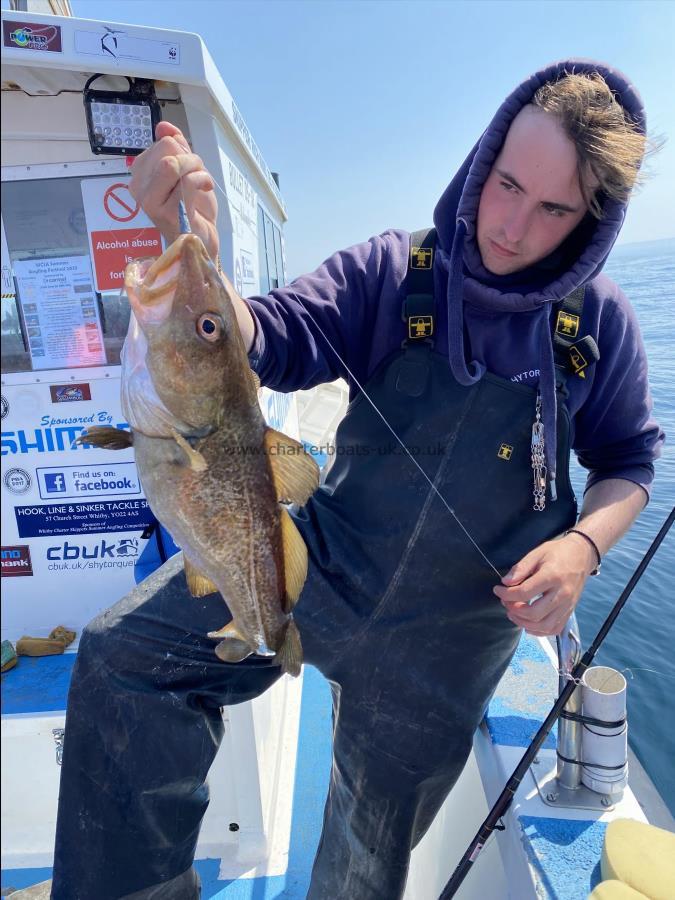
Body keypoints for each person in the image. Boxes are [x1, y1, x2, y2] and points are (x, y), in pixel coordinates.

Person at [21, 59, 664, 900]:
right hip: (322, 565)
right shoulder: (393, 271)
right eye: (505, 183)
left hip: (452, 642)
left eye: (552, 209)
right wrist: (206, 273)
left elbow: (630, 463)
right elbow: (275, 336)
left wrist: (582, 548)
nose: (510, 225)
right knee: (122, 659)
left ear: (592, 221)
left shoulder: (597, 325)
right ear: (484, 158)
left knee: (361, 869)